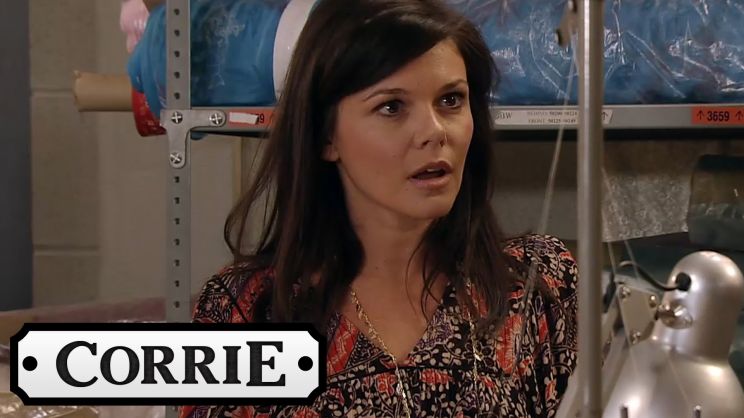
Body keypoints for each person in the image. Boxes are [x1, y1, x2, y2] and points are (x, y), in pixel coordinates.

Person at [180, 0, 578, 416]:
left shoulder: (537, 283)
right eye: (391, 107)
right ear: (326, 136)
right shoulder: (246, 308)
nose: (434, 132)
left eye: (450, 101)